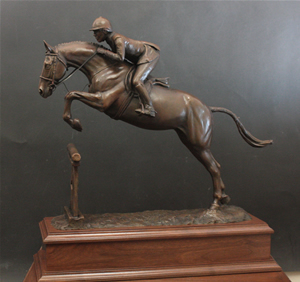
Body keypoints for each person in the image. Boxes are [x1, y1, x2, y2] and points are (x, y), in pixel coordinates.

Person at [90, 17, 160, 117]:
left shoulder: (118, 39)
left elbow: (119, 57)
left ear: (104, 31)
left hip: (148, 54)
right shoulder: (110, 40)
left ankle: (149, 107)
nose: (94, 35)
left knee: (136, 81)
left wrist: (105, 52)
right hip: (138, 57)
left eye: (97, 32)